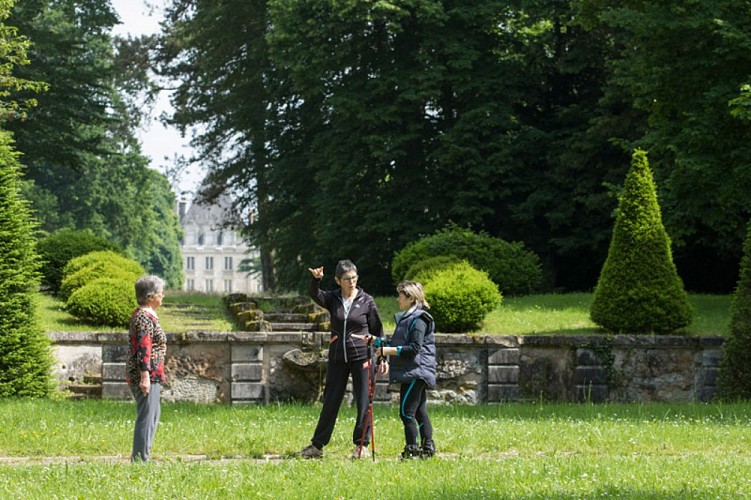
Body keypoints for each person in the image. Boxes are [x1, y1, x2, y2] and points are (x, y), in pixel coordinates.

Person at [296, 260, 386, 459]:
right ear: (338, 280)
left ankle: (361, 446)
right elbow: (315, 295)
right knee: (330, 400)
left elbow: (378, 331)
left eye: (354, 278)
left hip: (362, 356)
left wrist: (382, 356)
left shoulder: (367, 300)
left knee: (363, 401)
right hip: (337, 356)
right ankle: (317, 446)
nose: (352, 282)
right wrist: (315, 281)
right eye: (347, 279)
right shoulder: (333, 298)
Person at [376, 280, 436, 459]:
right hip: (413, 371)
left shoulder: (419, 320)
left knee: (406, 412)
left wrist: (387, 351)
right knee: (419, 411)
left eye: (400, 296)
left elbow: (414, 349)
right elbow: (399, 344)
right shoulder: (407, 318)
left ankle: (412, 449)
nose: (397, 300)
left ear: (411, 298)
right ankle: (428, 447)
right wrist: (376, 342)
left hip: (416, 371)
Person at [125, 275, 167, 462]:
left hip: (152, 373)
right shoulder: (143, 317)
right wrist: (145, 376)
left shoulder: (146, 315)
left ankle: (143, 457)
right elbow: (144, 346)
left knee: (152, 416)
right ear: (150, 297)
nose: (163, 295)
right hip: (146, 374)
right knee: (146, 417)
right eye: (160, 293)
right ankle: (140, 460)